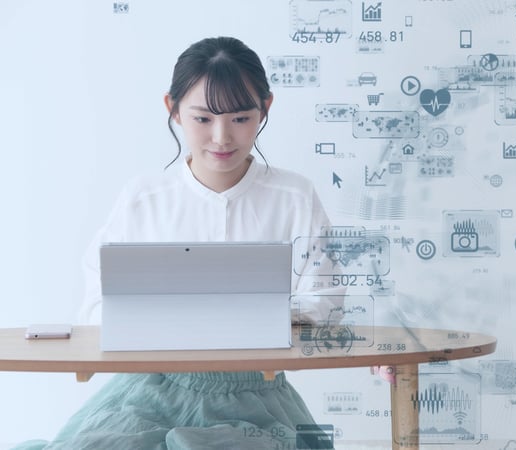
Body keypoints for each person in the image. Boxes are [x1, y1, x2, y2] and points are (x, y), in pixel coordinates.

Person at [12, 36, 344, 450]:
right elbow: (96, 309)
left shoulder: (295, 196)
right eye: (202, 119)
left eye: (241, 118)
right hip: (147, 392)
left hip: (257, 395)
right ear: (172, 109)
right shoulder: (143, 198)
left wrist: (253, 312)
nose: (222, 137)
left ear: (266, 109)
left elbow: (326, 301)